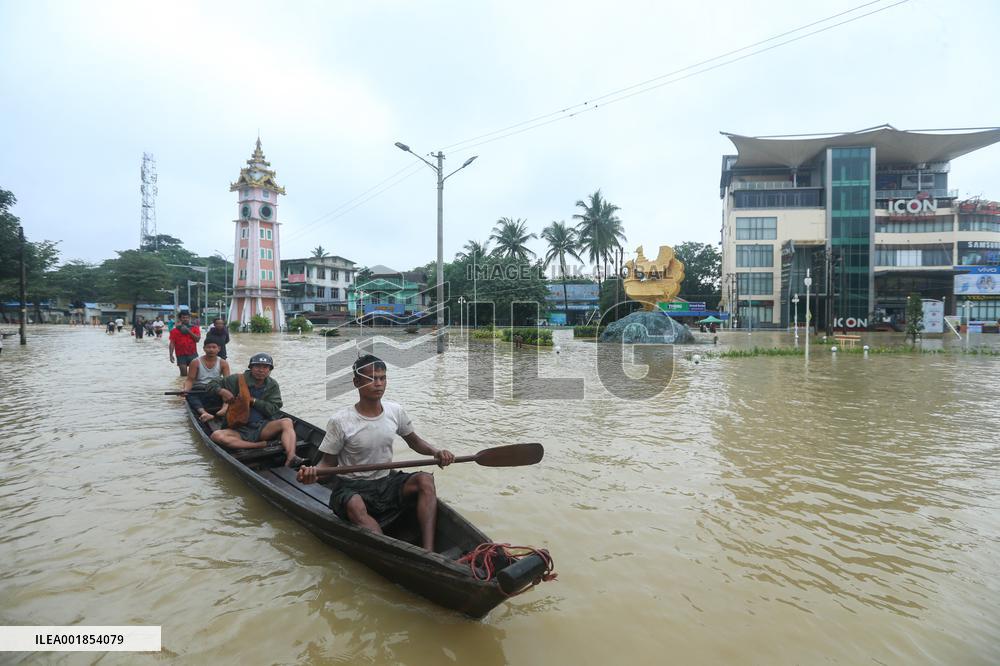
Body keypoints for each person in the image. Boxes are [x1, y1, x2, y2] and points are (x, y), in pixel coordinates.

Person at [297, 354, 455, 551]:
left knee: (425, 480)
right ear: (356, 382)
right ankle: (389, 550)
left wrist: (436, 452)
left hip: (385, 483)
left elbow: (415, 442)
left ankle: (429, 551)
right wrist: (313, 474)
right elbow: (328, 463)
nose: (379, 384)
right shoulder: (341, 421)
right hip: (352, 488)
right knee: (355, 505)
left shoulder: (395, 411)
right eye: (371, 379)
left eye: (382, 378)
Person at [205, 352, 301, 467]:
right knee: (216, 436)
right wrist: (222, 391)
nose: (261, 370)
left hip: (262, 427)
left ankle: (291, 456)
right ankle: (258, 445)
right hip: (238, 429)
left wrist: (252, 401)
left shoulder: (272, 384)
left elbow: (273, 409)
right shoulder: (237, 379)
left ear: (270, 370)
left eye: (265, 367)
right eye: (257, 366)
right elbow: (210, 385)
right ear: (251, 368)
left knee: (287, 422)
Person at [184, 340, 231, 423]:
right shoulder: (195, 362)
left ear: (219, 349)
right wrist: (185, 390)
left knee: (226, 390)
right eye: (208, 347)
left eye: (214, 347)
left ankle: (224, 408)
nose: (211, 350)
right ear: (204, 349)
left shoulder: (223, 363)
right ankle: (204, 413)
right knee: (190, 395)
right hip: (199, 389)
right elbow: (190, 380)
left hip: (215, 389)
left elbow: (227, 381)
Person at [168, 311, 201, 376]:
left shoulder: (195, 328)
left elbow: (197, 340)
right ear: (180, 319)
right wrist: (171, 355)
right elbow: (172, 343)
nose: (185, 319)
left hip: (193, 354)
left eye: (187, 317)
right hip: (181, 355)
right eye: (183, 318)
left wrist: (188, 331)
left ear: (189, 318)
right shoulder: (174, 331)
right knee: (183, 375)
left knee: (195, 374)